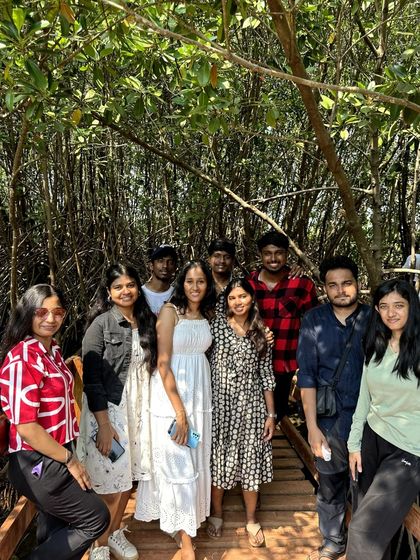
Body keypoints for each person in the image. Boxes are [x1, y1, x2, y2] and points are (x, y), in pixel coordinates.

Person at [0, 284, 110, 560]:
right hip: (38, 459)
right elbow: (26, 426)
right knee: (95, 518)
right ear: (28, 313)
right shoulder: (23, 357)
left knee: (54, 529)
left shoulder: (52, 351)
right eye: (42, 311)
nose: (51, 318)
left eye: (57, 312)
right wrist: (69, 460)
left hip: (56, 451)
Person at [135, 260, 216, 560]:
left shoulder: (206, 313)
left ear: (207, 286)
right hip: (172, 395)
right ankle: (186, 544)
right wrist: (179, 412)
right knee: (179, 462)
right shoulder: (170, 312)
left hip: (199, 392)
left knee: (194, 458)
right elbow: (163, 363)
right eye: (190, 281)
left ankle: (184, 522)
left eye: (201, 282)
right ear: (182, 283)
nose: (195, 287)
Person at [77, 264, 157, 560]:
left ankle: (113, 533)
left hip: (139, 409)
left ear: (138, 288)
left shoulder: (147, 321)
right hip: (110, 410)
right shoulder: (100, 325)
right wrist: (105, 425)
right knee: (107, 481)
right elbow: (92, 379)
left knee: (128, 477)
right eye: (118, 287)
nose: (126, 291)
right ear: (109, 293)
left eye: (131, 285)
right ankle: (98, 545)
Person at [297, 256, 370, 560]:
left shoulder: (375, 318)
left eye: (347, 283)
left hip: (370, 419)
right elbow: (307, 376)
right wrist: (312, 429)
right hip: (329, 419)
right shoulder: (313, 320)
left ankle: (363, 546)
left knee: (365, 485)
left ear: (357, 283)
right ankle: (333, 540)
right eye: (333, 285)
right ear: (324, 288)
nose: (341, 290)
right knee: (329, 482)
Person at [346, 278, 420, 560]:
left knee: (364, 531)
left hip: (408, 450)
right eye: (384, 306)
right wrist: (354, 443)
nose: (391, 313)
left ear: (412, 306)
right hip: (372, 440)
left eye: (399, 305)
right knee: (374, 531)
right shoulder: (377, 344)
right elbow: (364, 399)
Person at [207, 277, 276, 547]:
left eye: (243, 296)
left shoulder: (262, 332)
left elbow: (267, 376)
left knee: (250, 463)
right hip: (220, 407)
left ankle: (250, 518)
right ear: (226, 301)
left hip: (252, 408)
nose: (238, 302)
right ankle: (217, 512)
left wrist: (271, 415)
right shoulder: (214, 328)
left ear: (252, 299)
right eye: (232, 297)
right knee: (219, 462)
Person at [248, 230, 318, 421]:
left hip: (284, 364)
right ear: (261, 255)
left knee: (276, 415)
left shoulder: (301, 284)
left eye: (278, 253)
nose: (273, 258)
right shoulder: (248, 284)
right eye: (267, 253)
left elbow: (314, 325)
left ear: (287, 255)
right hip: (252, 362)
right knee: (251, 414)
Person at [141, 244, 177, 315]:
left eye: (170, 262)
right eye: (160, 261)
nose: (165, 266)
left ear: (175, 268)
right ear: (151, 265)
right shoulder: (140, 294)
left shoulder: (177, 296)